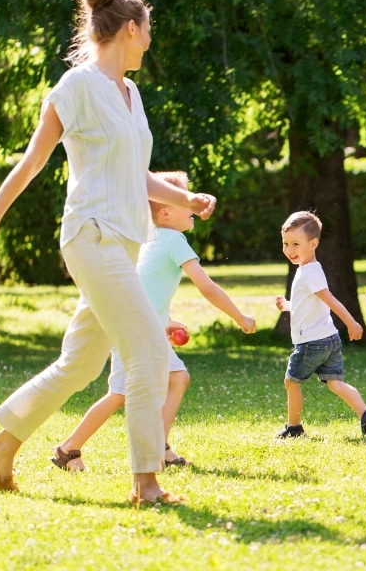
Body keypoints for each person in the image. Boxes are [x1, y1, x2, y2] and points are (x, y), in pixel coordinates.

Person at [0, 0, 214, 504]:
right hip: (91, 235)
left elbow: (136, 173)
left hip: (123, 242)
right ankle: (146, 480)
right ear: (128, 28)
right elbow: (32, 162)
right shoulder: (77, 86)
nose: (149, 39)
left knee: (80, 364)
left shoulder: (132, 93)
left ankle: (3, 444)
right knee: (148, 352)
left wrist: (184, 200)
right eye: (147, 29)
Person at [50, 171, 257, 472]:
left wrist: (165, 320)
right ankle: (68, 449)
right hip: (131, 330)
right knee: (120, 394)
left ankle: (159, 445)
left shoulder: (149, 240)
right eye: (184, 198)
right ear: (165, 211)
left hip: (140, 326)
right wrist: (240, 316)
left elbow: (146, 288)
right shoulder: (175, 240)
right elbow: (206, 286)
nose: (191, 206)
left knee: (177, 377)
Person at [273, 211, 366, 440]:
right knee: (335, 383)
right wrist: (288, 306)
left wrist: (352, 323)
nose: (289, 249)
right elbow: (308, 304)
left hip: (311, 342)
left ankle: (294, 428)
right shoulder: (309, 269)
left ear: (313, 243)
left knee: (291, 382)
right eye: (285, 243)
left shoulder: (309, 272)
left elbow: (329, 299)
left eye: (296, 244)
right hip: (330, 339)